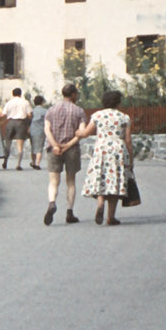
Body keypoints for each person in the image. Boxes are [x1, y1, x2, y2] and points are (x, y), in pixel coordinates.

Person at [75, 89, 133, 226]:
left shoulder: (97, 115)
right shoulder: (124, 117)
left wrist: (78, 132)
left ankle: (100, 202)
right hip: (118, 149)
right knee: (114, 181)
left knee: (100, 176)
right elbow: (128, 140)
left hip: (102, 148)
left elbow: (86, 133)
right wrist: (130, 159)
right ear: (118, 102)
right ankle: (110, 217)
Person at [43, 83, 88, 226]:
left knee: (53, 181)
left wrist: (55, 145)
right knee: (71, 181)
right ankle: (69, 212)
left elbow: (47, 130)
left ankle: (51, 202)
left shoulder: (51, 110)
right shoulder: (79, 111)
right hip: (72, 149)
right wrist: (68, 145)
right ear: (73, 94)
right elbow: (81, 132)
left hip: (54, 149)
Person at [2, 87, 33, 169]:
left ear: (12, 94)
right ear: (20, 94)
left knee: (8, 142)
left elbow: (4, 114)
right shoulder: (25, 102)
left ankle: (5, 161)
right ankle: (18, 164)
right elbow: (29, 115)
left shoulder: (9, 103)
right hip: (21, 123)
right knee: (20, 145)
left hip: (11, 122)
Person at [28, 94, 48, 170]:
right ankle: (37, 163)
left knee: (33, 147)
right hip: (41, 130)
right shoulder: (45, 111)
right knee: (39, 148)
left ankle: (33, 162)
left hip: (32, 130)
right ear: (42, 102)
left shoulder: (32, 111)